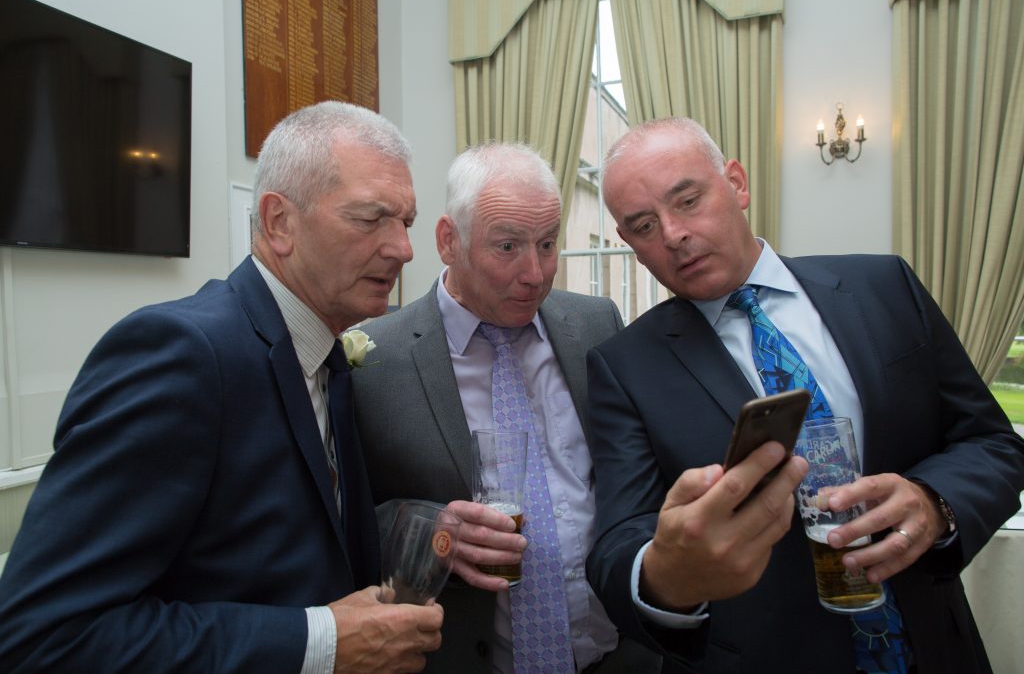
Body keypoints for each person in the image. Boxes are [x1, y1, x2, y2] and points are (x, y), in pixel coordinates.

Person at [0, 101, 444, 673]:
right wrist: (320, 644)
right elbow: (43, 636)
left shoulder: (329, 359)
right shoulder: (182, 354)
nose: (403, 249)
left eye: (404, 223)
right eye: (370, 219)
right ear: (280, 222)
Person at [584, 117, 1024, 673]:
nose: (672, 234)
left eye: (688, 201)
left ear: (737, 184)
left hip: (933, 644)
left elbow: (991, 442)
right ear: (630, 245)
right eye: (644, 226)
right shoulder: (625, 366)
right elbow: (620, 540)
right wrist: (666, 574)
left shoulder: (885, 288)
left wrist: (934, 503)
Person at [351, 142, 660, 673]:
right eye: (508, 246)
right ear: (449, 241)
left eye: (547, 244)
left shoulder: (595, 324)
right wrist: (431, 528)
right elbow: (347, 518)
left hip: (619, 654)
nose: (536, 273)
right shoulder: (374, 358)